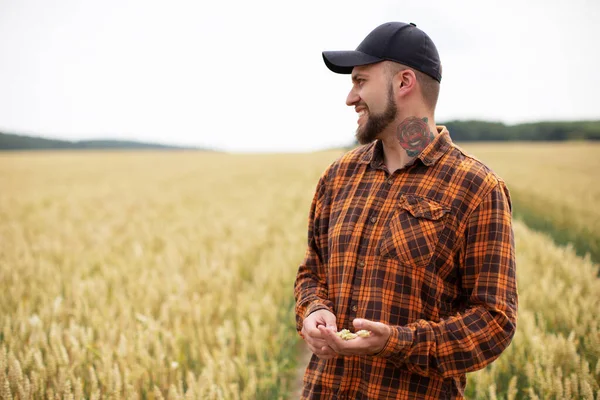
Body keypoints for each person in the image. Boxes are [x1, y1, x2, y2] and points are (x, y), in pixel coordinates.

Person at [293, 21, 518, 399]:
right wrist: (313, 309)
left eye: (361, 81)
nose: (351, 97)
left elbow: (493, 322)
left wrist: (395, 342)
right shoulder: (338, 176)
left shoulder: (477, 189)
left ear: (404, 83)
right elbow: (312, 271)